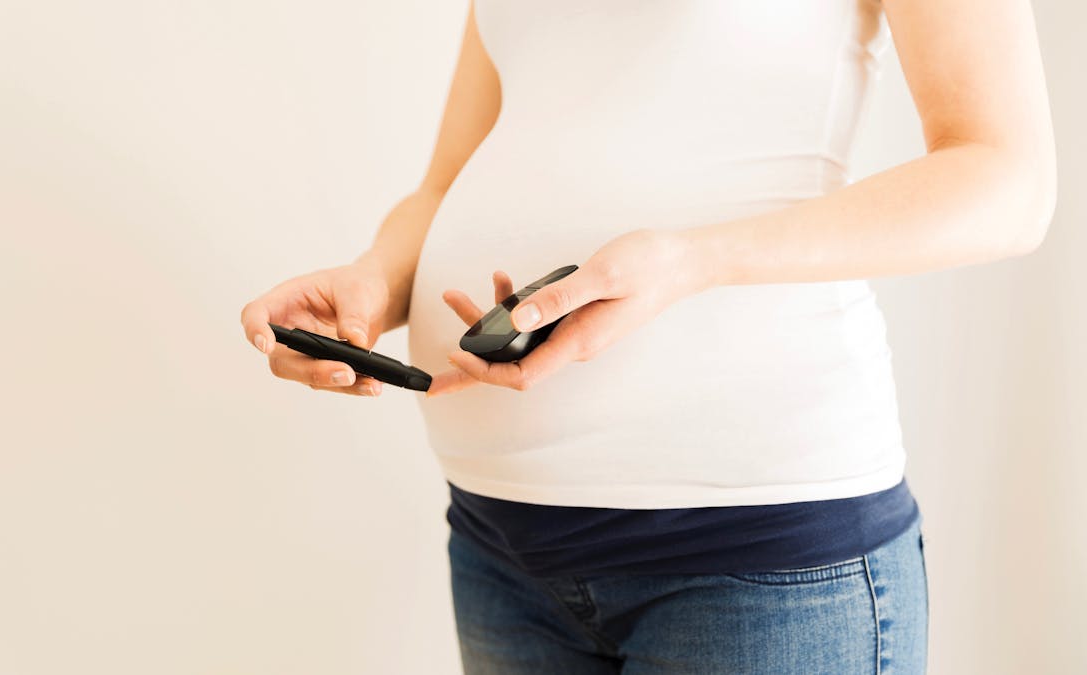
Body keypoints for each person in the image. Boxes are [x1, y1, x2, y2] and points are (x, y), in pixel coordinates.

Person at [241, 0, 1056, 671]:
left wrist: (695, 259)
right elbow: (450, 179)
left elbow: (1005, 178)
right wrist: (373, 278)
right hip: (501, 549)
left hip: (760, 559)